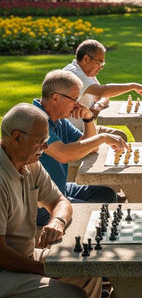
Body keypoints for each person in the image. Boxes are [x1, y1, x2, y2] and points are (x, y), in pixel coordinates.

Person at [0, 103, 101, 298]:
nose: (46, 146)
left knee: (88, 269)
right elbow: (2, 254)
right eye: (40, 140)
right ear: (16, 138)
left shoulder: (29, 164)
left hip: (23, 257)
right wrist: (43, 270)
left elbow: (59, 200)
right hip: (3, 270)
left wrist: (57, 220)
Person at [33, 69, 128, 226]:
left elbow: (90, 147)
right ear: (56, 98)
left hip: (60, 189)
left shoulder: (59, 119)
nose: (77, 104)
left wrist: (88, 118)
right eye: (74, 99)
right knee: (95, 213)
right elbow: (63, 154)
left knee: (107, 195)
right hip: (42, 204)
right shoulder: (35, 120)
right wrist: (102, 137)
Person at [63, 39, 142, 134]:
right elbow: (102, 91)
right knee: (117, 139)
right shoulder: (74, 74)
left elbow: (104, 96)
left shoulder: (86, 74)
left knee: (119, 136)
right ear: (86, 58)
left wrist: (99, 105)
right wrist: (133, 86)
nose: (101, 67)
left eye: (102, 63)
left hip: (86, 128)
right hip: (72, 133)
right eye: (99, 62)